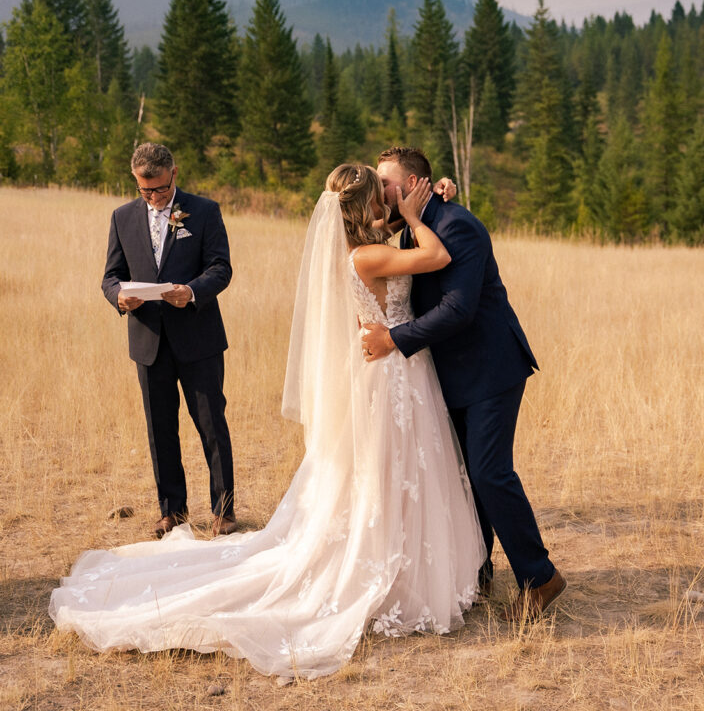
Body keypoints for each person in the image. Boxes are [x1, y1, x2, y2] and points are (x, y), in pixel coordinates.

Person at [50, 165, 485, 680]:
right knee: (385, 468)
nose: (391, 203)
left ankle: (406, 561)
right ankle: (387, 567)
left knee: (395, 468)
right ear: (368, 204)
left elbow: (394, 241)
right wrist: (415, 213)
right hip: (390, 370)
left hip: (396, 369)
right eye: (383, 197)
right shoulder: (367, 255)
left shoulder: (364, 246)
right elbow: (435, 255)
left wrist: (430, 199)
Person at [363, 146, 565, 622]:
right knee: (461, 477)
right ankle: (476, 572)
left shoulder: (459, 226)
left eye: (387, 184)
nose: (381, 191)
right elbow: (357, 223)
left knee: (489, 474)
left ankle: (540, 578)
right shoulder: (411, 226)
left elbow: (458, 309)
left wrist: (393, 339)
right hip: (447, 375)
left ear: (413, 184)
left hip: (490, 368)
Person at [101, 143, 236, 538]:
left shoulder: (205, 211)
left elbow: (221, 267)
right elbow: (111, 275)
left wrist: (192, 291)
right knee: (160, 429)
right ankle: (172, 511)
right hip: (148, 341)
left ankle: (224, 511)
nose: (155, 198)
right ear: (136, 182)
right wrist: (119, 297)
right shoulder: (122, 217)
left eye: (160, 189)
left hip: (198, 339)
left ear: (174, 174)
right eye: (146, 191)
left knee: (212, 425)